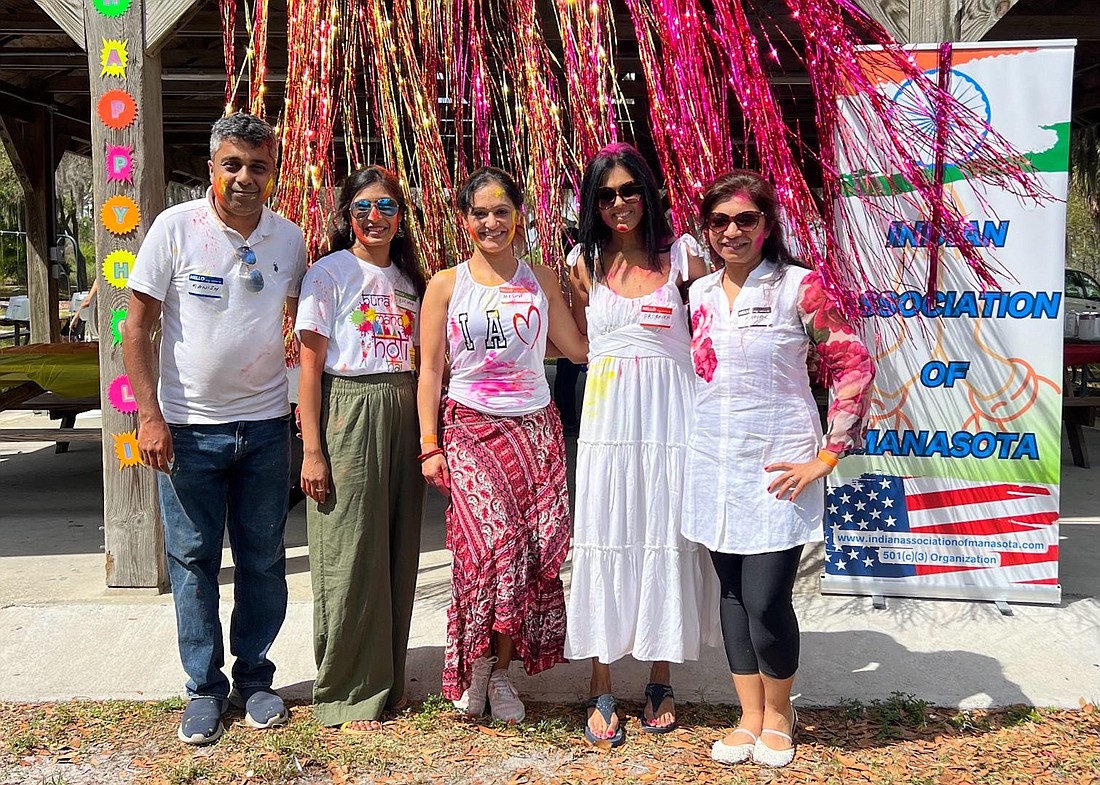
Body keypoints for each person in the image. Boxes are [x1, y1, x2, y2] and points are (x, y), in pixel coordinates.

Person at [123, 113, 307, 745]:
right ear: (212, 169)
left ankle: (255, 678)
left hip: (264, 427)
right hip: (189, 430)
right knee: (194, 559)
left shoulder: (289, 239)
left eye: (258, 166)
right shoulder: (175, 229)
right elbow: (134, 328)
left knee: (262, 557)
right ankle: (203, 689)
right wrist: (149, 415)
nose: (245, 178)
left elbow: (307, 328)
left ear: (273, 170)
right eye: (233, 165)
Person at [683, 170, 873, 767]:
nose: (732, 231)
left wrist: (827, 455)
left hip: (779, 468)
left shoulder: (800, 287)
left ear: (767, 224)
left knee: (766, 599)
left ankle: (780, 711)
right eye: (720, 222)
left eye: (746, 219)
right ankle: (748, 716)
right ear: (707, 231)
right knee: (733, 596)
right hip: (714, 463)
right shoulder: (698, 296)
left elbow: (852, 363)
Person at [416, 166, 588, 724]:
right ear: (464, 220)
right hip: (468, 429)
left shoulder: (538, 277)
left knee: (528, 557)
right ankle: (476, 667)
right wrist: (429, 444)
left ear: (520, 217)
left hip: (534, 431)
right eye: (480, 213)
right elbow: (431, 372)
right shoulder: (446, 284)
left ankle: (502, 676)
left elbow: (576, 348)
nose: (492, 222)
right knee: (486, 553)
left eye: (502, 211)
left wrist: (587, 291)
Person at [564, 142, 719, 747]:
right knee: (606, 538)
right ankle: (601, 681)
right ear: (593, 204)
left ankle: (660, 678)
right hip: (606, 422)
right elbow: (575, 343)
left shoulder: (684, 259)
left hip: (672, 424)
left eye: (630, 191)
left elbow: (713, 341)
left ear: (649, 194)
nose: (620, 203)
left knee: (664, 536)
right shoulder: (583, 262)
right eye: (607, 195)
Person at [294, 165, 426, 732]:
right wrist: (313, 449)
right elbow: (310, 368)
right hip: (350, 409)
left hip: (402, 407)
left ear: (401, 217)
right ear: (347, 216)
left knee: (396, 551)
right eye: (364, 207)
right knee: (350, 552)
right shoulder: (329, 273)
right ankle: (347, 689)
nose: (375, 218)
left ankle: (388, 680)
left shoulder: (410, 279)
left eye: (387, 207)